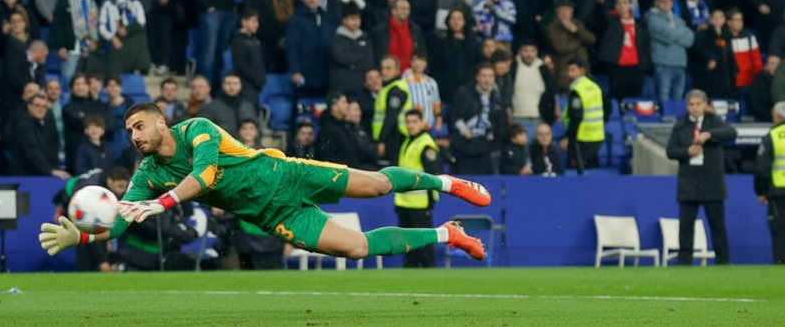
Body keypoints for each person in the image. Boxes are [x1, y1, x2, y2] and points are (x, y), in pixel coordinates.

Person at [40, 106, 491, 265]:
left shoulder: (197, 128)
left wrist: (161, 204)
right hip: (272, 215)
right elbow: (119, 224)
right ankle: (447, 234)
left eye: (140, 126)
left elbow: (207, 175)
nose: (134, 136)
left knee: (375, 185)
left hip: (286, 176)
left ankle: (448, 181)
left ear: (161, 122)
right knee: (356, 248)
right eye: (129, 131)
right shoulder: (145, 175)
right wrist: (80, 234)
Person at [666, 89, 737, 265]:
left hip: (712, 182)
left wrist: (710, 135)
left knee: (717, 225)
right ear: (687, 106)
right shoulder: (681, 125)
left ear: (705, 105)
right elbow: (670, 151)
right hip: (689, 182)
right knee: (686, 226)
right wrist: (686, 152)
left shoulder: (714, 122)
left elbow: (731, 132)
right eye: (691, 105)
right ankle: (684, 263)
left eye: (699, 104)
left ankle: (723, 262)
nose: (695, 108)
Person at [393, 109, 440, 268]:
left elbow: (433, 172)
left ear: (422, 123)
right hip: (404, 201)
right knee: (407, 244)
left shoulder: (425, 143)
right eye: (408, 122)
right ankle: (409, 273)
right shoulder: (407, 142)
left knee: (423, 242)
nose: (411, 125)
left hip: (421, 202)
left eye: (414, 122)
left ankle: (429, 272)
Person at [448, 63, 507, 175]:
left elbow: (501, 126)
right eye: (484, 76)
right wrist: (464, 134)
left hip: (486, 152)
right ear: (477, 77)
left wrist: (494, 145)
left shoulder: (497, 100)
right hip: (464, 150)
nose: (487, 80)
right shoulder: (464, 95)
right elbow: (454, 117)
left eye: (490, 76)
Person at [647, 0, 696, 101]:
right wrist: (680, 32)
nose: (666, 3)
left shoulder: (678, 19)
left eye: (669, 0)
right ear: (656, 2)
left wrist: (675, 32)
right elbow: (669, 35)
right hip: (663, 65)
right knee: (664, 99)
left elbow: (690, 39)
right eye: (662, 1)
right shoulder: (653, 19)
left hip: (680, 64)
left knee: (678, 100)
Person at [561, 59, 608, 174]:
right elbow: (607, 107)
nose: (569, 73)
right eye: (568, 70)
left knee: (577, 171)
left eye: (573, 70)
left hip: (581, 137)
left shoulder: (577, 90)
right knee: (592, 171)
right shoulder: (595, 86)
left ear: (582, 70)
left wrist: (569, 137)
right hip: (597, 136)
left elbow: (576, 116)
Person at [10, 92, 69, 179]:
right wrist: (50, 170)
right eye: (37, 105)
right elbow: (32, 152)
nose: (41, 109)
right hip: (26, 176)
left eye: (44, 106)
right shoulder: (24, 125)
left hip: (41, 173)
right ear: (29, 107)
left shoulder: (45, 125)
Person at [755, 102, 785, 263]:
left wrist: (761, 191)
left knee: (780, 232)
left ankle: (782, 270)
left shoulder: (773, 136)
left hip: (780, 192)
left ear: (777, 117)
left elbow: (762, 168)